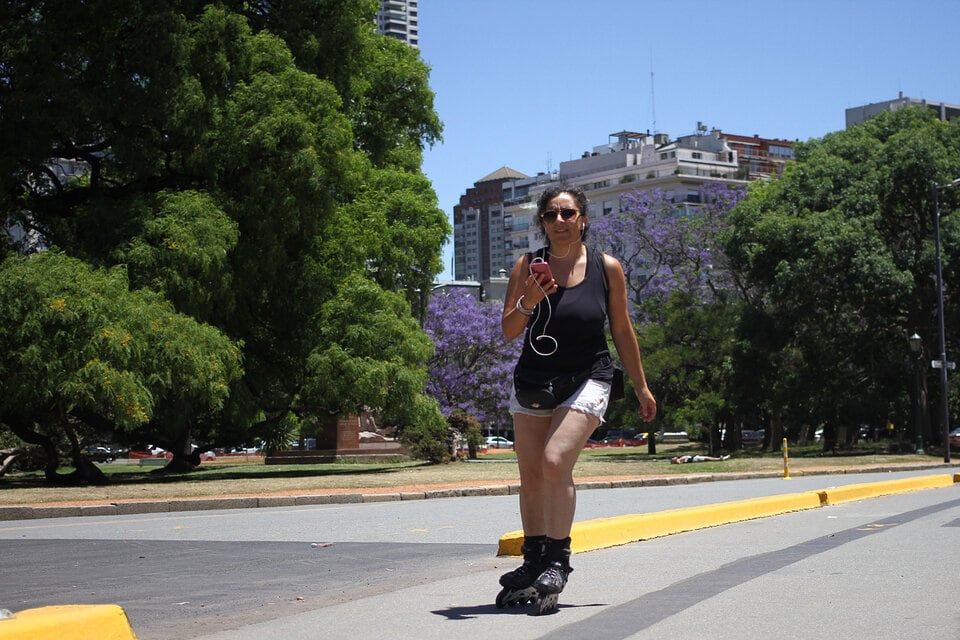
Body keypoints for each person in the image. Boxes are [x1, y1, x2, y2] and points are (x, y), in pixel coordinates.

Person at [499, 184, 657, 602]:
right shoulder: (527, 266)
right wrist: (528, 301)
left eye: (568, 214)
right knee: (531, 472)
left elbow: (622, 330)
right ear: (542, 223)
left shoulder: (607, 268)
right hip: (535, 376)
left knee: (554, 460)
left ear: (583, 218)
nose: (560, 222)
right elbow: (509, 331)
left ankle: (556, 561)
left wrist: (640, 385)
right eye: (551, 215)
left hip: (589, 375)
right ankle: (533, 558)